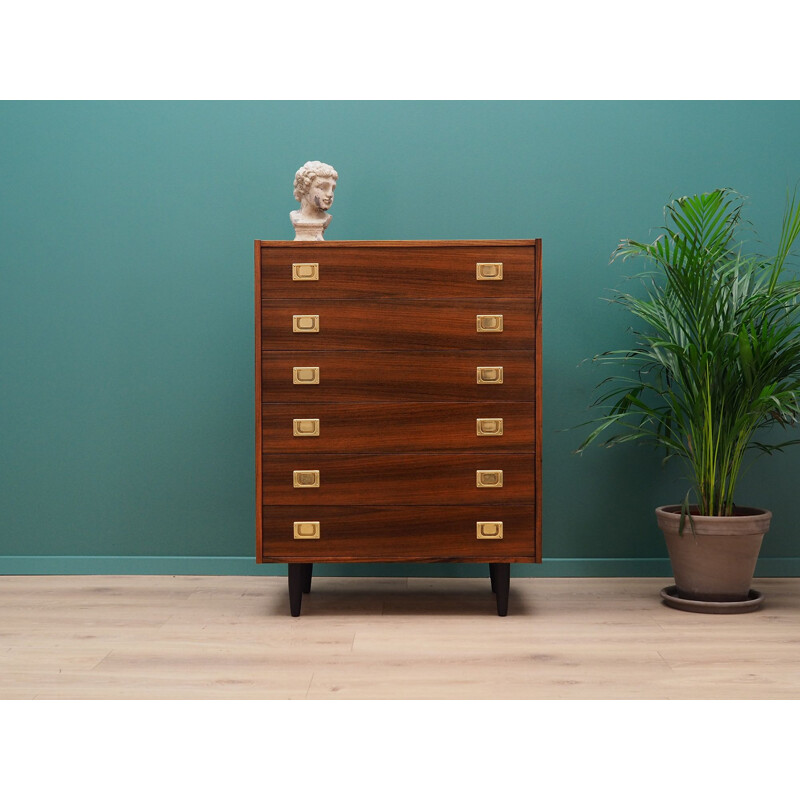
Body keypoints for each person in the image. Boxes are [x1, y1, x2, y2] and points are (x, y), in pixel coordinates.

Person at [290, 161, 338, 240]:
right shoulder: (295, 217)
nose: (330, 194)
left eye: (332, 189)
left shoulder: (326, 218)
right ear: (303, 188)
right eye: (322, 188)